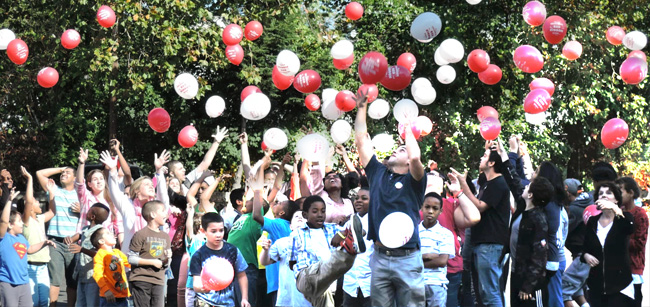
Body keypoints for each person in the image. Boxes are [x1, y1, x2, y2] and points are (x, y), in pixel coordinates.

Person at [354, 89, 427, 306]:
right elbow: (361, 140)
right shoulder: (377, 172)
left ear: (407, 163)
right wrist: (361, 107)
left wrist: (408, 130)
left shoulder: (415, 181)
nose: (397, 149)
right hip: (379, 256)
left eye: (401, 149)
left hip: (408, 259)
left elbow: (415, 156)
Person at [454, 148, 511, 307]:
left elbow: (479, 206)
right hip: (485, 244)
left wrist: (463, 185)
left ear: (492, 163)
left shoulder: (499, 183)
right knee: (485, 292)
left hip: (490, 244)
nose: (481, 157)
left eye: (485, 155)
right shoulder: (489, 183)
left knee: (490, 292)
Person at [290, 195, 365, 307]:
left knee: (325, 296)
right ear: (305, 215)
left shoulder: (333, 228)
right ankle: (349, 251)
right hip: (307, 277)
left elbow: (361, 232)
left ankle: (349, 249)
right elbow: (292, 263)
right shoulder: (297, 234)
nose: (320, 215)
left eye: (323, 211)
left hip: (328, 283)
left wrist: (342, 234)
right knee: (328, 264)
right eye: (315, 211)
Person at [561, 161, 616, 307]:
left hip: (587, 255)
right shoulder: (595, 201)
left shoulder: (580, 208)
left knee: (565, 289)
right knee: (580, 289)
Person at [426, 169, 481, 307]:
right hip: (415, 271)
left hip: (448, 272)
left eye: (436, 176)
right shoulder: (411, 202)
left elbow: (474, 217)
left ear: (442, 186)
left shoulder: (449, 204)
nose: (431, 178)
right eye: (429, 176)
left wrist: (458, 192)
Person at [251, 154, 300, 306]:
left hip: (277, 280)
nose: (275, 203)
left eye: (278, 203)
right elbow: (277, 186)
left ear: (281, 213)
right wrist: (284, 164)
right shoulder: (287, 226)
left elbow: (257, 216)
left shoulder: (278, 224)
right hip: (287, 279)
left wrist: (257, 192)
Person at [103, 149, 170, 254]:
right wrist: (112, 171)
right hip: (132, 261)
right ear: (137, 191)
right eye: (147, 185)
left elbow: (164, 197)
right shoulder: (128, 206)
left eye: (152, 185)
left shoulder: (157, 206)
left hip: (156, 260)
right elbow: (114, 192)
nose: (151, 187)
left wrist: (159, 172)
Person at [581, 182, 634, 306]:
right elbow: (584, 248)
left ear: (616, 199)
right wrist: (586, 256)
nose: (604, 196)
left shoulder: (624, 218)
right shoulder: (593, 222)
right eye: (600, 193)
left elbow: (630, 228)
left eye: (608, 193)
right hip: (596, 286)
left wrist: (615, 209)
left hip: (620, 286)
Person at [0, 189, 55, 307]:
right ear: (10, 225)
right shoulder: (4, 238)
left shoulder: (21, 238)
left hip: (24, 283)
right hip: (8, 283)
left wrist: (44, 243)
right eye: (19, 221)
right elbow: (4, 221)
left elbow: (29, 249)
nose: (21, 224)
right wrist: (9, 201)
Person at [35, 165, 80, 306]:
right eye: (63, 173)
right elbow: (40, 173)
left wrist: (82, 209)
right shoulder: (54, 191)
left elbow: (89, 216)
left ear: (75, 177)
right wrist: (62, 168)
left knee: (72, 281)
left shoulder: (81, 194)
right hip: (56, 242)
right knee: (54, 280)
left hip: (74, 243)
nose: (63, 174)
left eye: (68, 173)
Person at [190, 212, 251, 307]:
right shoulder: (198, 255)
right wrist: (202, 288)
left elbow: (242, 275)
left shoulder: (232, 251)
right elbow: (196, 283)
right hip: (205, 302)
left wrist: (244, 298)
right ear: (203, 231)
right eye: (213, 231)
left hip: (227, 303)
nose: (218, 235)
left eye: (221, 230)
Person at [510, 177, 554, 307]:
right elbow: (515, 184)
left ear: (530, 195)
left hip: (531, 282)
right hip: (517, 273)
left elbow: (539, 256)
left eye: (528, 186)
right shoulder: (524, 212)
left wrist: (528, 285)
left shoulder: (538, 219)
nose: (524, 187)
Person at [73, 147, 124, 249]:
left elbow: (118, 225)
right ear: (89, 184)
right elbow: (79, 184)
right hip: (87, 243)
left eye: (101, 179)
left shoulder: (112, 200)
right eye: (95, 179)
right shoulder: (86, 197)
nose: (99, 181)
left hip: (106, 244)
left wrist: (122, 246)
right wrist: (82, 163)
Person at [260, 210, 312, 307]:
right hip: (286, 298)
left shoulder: (314, 242)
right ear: (291, 226)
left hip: (308, 299)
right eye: (296, 216)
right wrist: (265, 250)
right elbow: (264, 262)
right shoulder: (281, 243)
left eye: (303, 216)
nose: (300, 218)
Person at [19, 167, 55, 307]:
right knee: (33, 302)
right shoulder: (25, 221)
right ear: (29, 207)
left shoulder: (39, 219)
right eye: (35, 201)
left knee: (43, 302)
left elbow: (52, 211)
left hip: (43, 266)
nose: (38, 202)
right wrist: (30, 179)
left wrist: (51, 193)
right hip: (30, 266)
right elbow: (28, 201)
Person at [128, 200, 172, 307]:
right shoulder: (140, 234)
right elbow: (131, 258)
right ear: (152, 214)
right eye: (162, 211)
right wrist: (152, 262)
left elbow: (165, 264)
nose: (166, 214)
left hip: (159, 280)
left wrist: (167, 258)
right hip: (141, 279)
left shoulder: (165, 236)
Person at [534, 161, 566, 307]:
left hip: (550, 259)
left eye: (537, 171)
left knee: (551, 300)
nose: (533, 174)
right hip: (554, 257)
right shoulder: (556, 204)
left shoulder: (548, 206)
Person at [615, 177, 648, 307]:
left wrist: (618, 240)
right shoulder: (616, 212)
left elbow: (639, 244)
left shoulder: (640, 214)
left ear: (631, 193)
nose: (617, 195)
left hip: (633, 268)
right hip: (615, 269)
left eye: (620, 191)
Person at [70, 203, 111, 306]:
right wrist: (70, 239)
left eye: (89, 211)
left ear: (92, 216)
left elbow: (101, 254)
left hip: (92, 277)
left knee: (91, 303)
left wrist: (82, 249)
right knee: (80, 303)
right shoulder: (85, 229)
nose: (86, 212)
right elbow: (79, 235)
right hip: (82, 275)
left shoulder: (102, 233)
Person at [420, 192, 456, 307]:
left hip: (437, 283)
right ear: (421, 207)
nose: (430, 211)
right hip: (415, 284)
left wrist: (417, 259)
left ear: (440, 211)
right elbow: (407, 260)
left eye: (435, 208)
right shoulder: (413, 232)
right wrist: (428, 256)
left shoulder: (445, 234)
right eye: (427, 207)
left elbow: (442, 262)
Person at [342, 187, 374, 307]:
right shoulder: (349, 222)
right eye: (356, 198)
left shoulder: (376, 222)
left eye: (364, 198)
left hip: (370, 282)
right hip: (350, 282)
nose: (358, 201)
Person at [92, 227, 132, 307]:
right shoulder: (100, 255)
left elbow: (129, 263)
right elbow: (97, 274)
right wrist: (106, 290)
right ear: (101, 241)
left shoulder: (117, 252)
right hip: (109, 297)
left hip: (123, 295)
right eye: (108, 233)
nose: (113, 234)